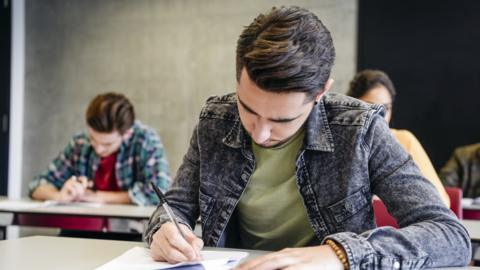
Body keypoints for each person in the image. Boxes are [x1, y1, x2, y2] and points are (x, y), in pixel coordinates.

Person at [145, 6, 470, 270]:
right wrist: (165, 229)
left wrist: (341, 254)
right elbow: (174, 206)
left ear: (321, 92)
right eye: (248, 109)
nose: (260, 133)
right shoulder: (215, 122)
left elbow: (449, 235)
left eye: (282, 120)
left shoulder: (361, 130)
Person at [29, 92, 171, 206]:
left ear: (127, 134)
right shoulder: (81, 142)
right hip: (80, 229)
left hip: (129, 231)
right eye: (93, 138)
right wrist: (59, 196)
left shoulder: (145, 140)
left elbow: (160, 192)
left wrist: (99, 197)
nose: (98, 149)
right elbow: (38, 185)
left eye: (107, 144)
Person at [346, 69, 450, 206]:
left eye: (386, 108)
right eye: (370, 107)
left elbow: (441, 202)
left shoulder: (404, 140)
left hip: (399, 224)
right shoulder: (339, 143)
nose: (380, 116)